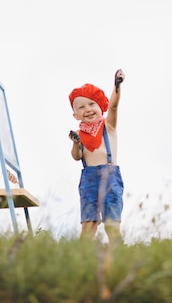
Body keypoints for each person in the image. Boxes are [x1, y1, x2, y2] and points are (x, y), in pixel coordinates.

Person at [68, 69, 125, 244]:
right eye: (81, 107)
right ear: (75, 115)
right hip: (89, 179)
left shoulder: (108, 126)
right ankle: (80, 260)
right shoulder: (79, 134)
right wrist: (76, 143)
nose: (88, 109)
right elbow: (77, 157)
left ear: (101, 107)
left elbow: (114, 106)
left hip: (110, 177)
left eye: (92, 104)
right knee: (89, 224)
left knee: (111, 224)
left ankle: (118, 258)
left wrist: (117, 86)